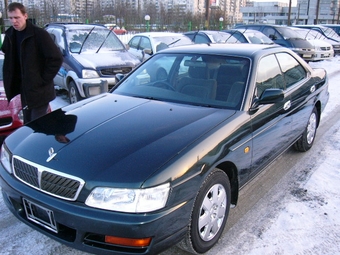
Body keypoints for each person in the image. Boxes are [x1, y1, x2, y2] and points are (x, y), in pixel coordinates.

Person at [1, 2, 63, 123]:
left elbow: (56, 58)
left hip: (39, 91)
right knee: (27, 125)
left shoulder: (39, 34)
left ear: (25, 16)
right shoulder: (10, 35)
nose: (14, 21)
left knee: (37, 127)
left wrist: (42, 80)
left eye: (17, 17)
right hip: (24, 90)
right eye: (11, 18)